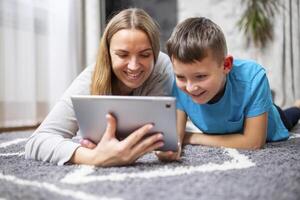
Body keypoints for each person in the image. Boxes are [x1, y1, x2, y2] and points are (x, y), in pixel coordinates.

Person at [25, 8, 174, 166]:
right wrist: (94, 157)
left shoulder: (162, 67)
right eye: (122, 55)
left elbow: (170, 131)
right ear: (107, 54)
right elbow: (36, 141)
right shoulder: (89, 81)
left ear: (155, 54)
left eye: (145, 55)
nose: (134, 66)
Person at [156, 17, 300, 161]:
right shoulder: (179, 85)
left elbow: (254, 142)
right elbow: (177, 136)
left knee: (291, 115)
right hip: (225, 125)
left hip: (272, 120)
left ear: (226, 65)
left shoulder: (253, 77)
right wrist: (171, 148)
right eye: (181, 77)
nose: (190, 87)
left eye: (200, 76)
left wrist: (192, 137)